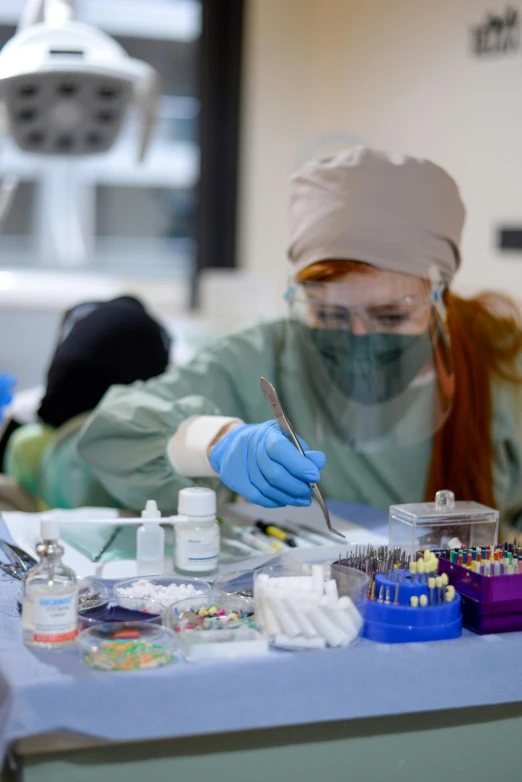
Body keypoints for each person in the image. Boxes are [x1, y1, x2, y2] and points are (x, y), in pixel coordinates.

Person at [7, 147, 522, 529]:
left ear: (440, 298)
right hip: (69, 465)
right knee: (64, 418)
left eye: (391, 315)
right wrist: (214, 442)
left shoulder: (501, 370)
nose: (360, 336)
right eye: (330, 313)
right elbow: (113, 432)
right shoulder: (266, 352)